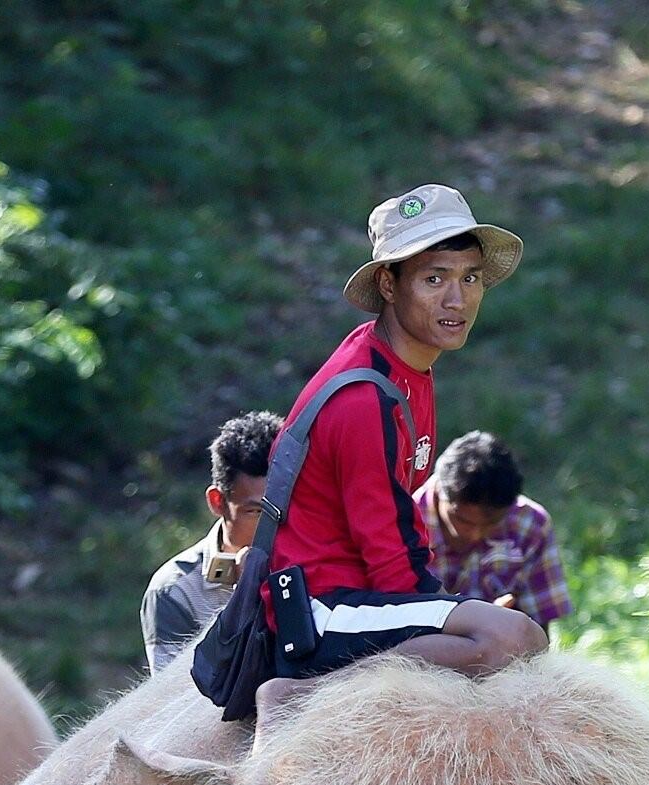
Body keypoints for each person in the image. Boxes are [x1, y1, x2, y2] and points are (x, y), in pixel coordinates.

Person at [255, 183, 546, 685]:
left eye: (471, 277)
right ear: (389, 285)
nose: (457, 299)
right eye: (434, 279)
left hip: (361, 597)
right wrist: (452, 619)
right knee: (513, 640)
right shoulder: (363, 398)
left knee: (506, 631)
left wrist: (452, 614)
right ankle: (309, 689)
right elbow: (389, 554)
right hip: (321, 609)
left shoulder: (402, 365)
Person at [141, 411, 280, 674]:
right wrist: (246, 597)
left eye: (284, 508)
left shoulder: (316, 562)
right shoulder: (175, 591)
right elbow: (172, 702)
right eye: (257, 512)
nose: (274, 527)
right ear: (218, 502)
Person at [421, 430, 571, 638]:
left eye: (491, 523)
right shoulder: (399, 523)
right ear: (440, 493)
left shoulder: (530, 525)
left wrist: (507, 622)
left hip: (500, 659)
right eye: (463, 521)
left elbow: (540, 629)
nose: (475, 534)